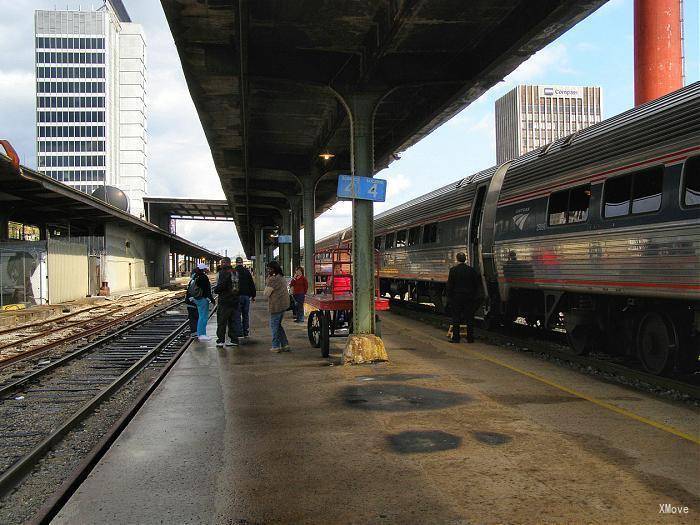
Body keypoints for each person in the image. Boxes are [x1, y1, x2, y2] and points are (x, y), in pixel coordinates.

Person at [446, 252, 480, 343]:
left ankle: (456, 338)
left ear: (457, 259)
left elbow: (450, 285)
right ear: (465, 259)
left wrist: (449, 297)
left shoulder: (453, 270)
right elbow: (476, 284)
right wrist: (473, 295)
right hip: (469, 297)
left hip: (457, 297)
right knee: (469, 317)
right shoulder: (471, 270)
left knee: (456, 317)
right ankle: (470, 338)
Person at [213, 257, 240, 348]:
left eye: (222, 262)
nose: (221, 264)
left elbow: (221, 286)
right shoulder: (235, 272)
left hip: (224, 301)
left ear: (226, 263)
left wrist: (216, 290)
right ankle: (234, 340)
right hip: (235, 301)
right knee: (233, 321)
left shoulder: (223, 273)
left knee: (221, 321)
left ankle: (220, 340)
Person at [264, 260, 290, 352]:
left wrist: (268, 279)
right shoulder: (281, 277)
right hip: (283, 305)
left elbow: (266, 293)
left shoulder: (273, 279)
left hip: (276, 306)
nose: (268, 271)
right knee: (278, 325)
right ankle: (285, 344)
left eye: (269, 269)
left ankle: (275, 346)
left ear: (273, 269)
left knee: (274, 326)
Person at [188, 262, 215, 342]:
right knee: (203, 317)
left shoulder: (195, 276)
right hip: (202, 299)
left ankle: (201, 334)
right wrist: (211, 299)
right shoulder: (203, 277)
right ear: (203, 269)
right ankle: (202, 334)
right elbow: (207, 290)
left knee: (201, 316)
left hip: (196, 299)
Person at [234, 256, 256, 339]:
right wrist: (253, 295)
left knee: (237, 314)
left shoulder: (233, 271)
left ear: (236, 263)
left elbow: (233, 285)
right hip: (246, 296)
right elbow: (251, 284)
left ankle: (239, 333)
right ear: (242, 263)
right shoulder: (247, 271)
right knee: (245, 314)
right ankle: (245, 332)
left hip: (237, 296)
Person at [185, 268, 199, 338]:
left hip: (192, 303)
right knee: (195, 317)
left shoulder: (193, 281)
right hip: (193, 303)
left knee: (193, 318)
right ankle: (196, 332)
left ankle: (194, 332)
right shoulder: (195, 281)